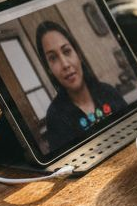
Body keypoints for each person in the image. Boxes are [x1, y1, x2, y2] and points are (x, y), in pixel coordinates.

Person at [36, 20, 127, 153]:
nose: (65, 64)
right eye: (53, 58)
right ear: (49, 69)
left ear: (78, 54)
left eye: (67, 51)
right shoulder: (55, 117)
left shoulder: (108, 91)